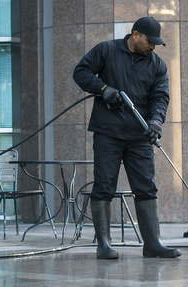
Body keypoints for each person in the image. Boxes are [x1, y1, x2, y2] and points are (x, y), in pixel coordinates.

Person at [73, 17, 180, 259]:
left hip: (140, 136)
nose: (153, 46)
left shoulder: (157, 65)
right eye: (150, 41)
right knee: (104, 188)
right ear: (135, 35)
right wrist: (103, 89)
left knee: (146, 189)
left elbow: (160, 97)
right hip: (107, 133)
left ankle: (153, 244)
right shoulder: (107, 50)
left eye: (156, 43)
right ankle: (104, 246)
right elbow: (81, 72)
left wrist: (155, 122)